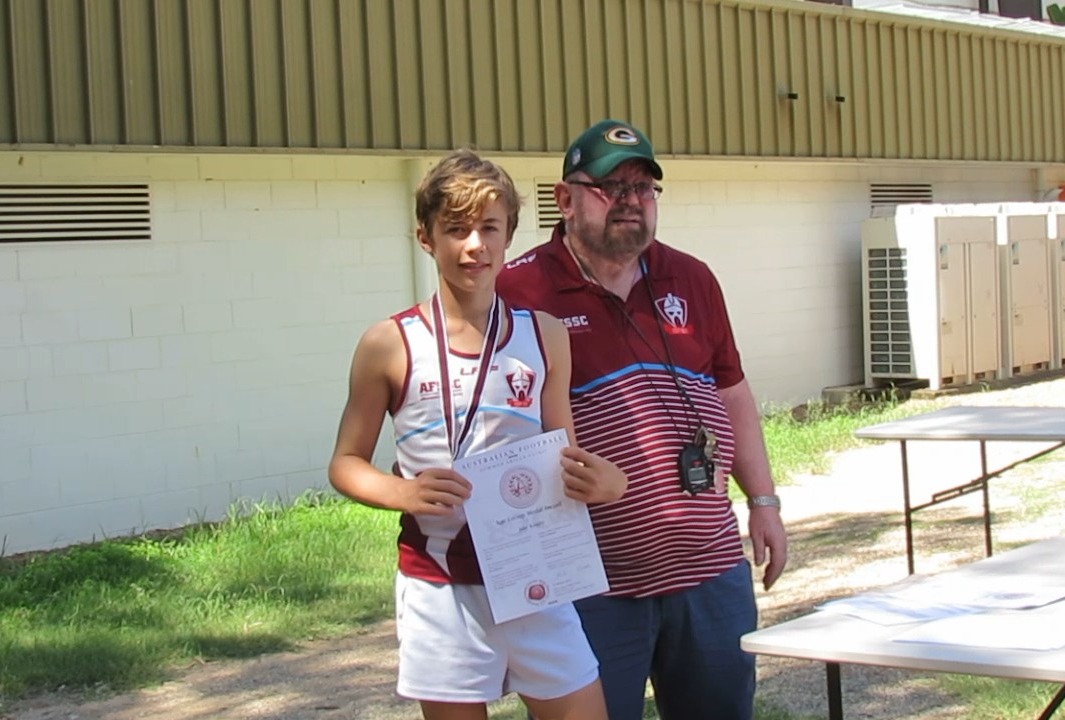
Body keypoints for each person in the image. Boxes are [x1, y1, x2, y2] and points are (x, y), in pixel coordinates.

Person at [498, 120, 789, 720]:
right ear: (565, 197)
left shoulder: (692, 277)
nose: (630, 201)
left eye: (643, 187)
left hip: (709, 573)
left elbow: (731, 391)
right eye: (610, 187)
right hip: (590, 587)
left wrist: (763, 500)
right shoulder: (518, 290)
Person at [327, 149, 627, 720]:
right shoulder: (389, 343)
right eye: (456, 229)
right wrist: (402, 493)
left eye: (489, 228)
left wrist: (607, 480)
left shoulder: (546, 336)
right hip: (442, 583)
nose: (474, 245)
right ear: (426, 237)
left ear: (509, 235)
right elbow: (345, 461)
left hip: (534, 571)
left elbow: (562, 455)